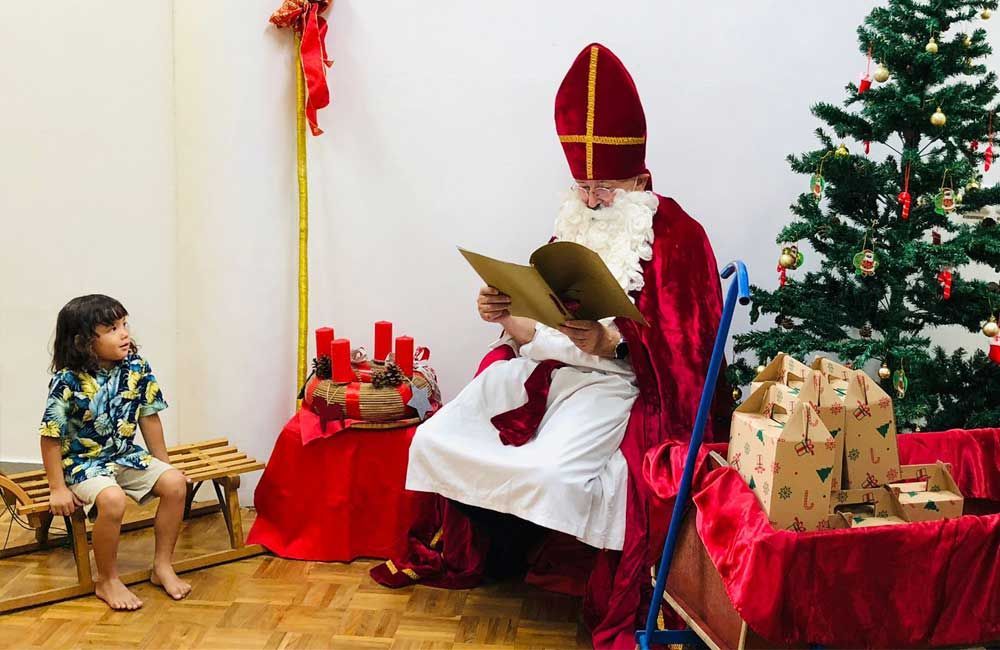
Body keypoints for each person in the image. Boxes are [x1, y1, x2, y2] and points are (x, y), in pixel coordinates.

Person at [373, 43, 728, 649]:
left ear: (640, 179)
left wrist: (614, 344)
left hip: (616, 386)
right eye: (583, 185)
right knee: (438, 437)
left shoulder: (678, 236)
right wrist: (504, 313)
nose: (590, 199)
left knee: (548, 474)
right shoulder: (574, 220)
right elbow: (541, 325)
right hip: (545, 371)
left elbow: (690, 353)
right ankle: (497, 551)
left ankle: (554, 550)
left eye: (606, 189)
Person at [39, 294, 191, 610]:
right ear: (83, 341)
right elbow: (50, 437)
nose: (124, 333)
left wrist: (163, 466)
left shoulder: (137, 367)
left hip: (125, 454)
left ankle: (162, 566)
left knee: (176, 483)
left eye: (124, 324)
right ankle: (107, 579)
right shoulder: (67, 380)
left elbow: (149, 417)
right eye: (111, 328)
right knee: (112, 499)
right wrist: (57, 488)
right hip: (83, 463)